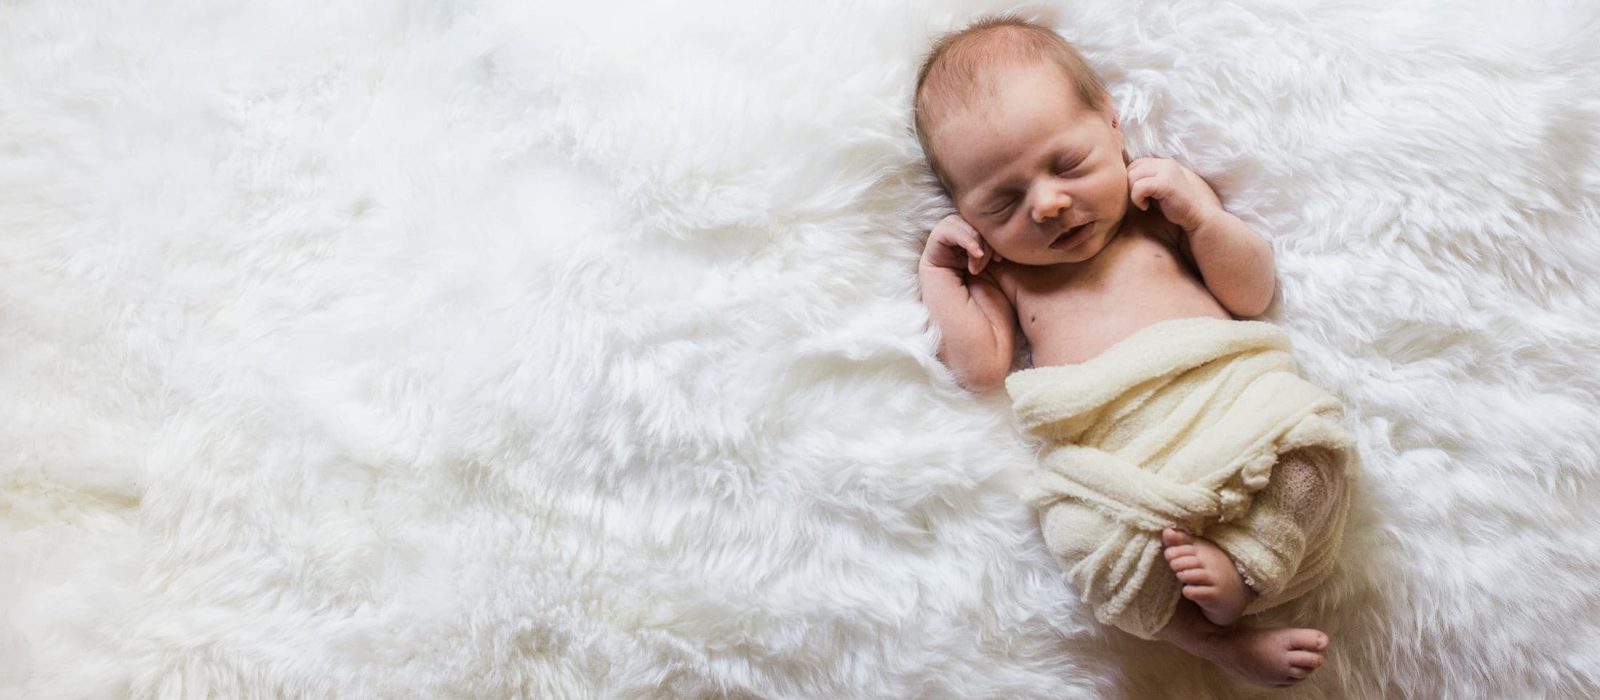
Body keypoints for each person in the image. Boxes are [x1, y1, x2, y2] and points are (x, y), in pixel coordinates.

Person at [914, 16, 1357, 689]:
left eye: (1068, 165)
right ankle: (1218, 644)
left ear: (1111, 123)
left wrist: (1205, 220)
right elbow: (980, 369)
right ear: (963, 212)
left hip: (1230, 407)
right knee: (1079, 543)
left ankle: (1242, 568)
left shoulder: (1157, 211)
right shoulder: (1009, 273)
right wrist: (941, 277)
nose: (1050, 204)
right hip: (1122, 461)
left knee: (1309, 455)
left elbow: (1250, 293)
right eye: (1003, 201)